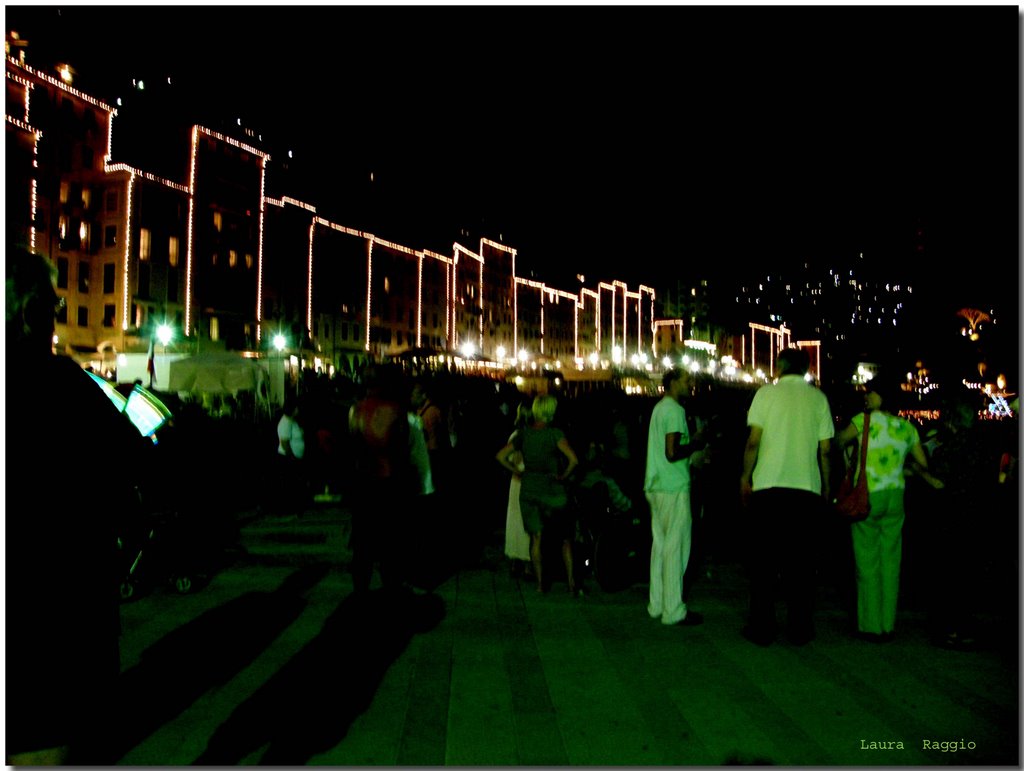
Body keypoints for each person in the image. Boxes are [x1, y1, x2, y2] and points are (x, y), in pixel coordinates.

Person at [6, 246, 145, 764]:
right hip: (56, 625)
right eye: (54, 304)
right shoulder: (69, 389)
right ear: (29, 312)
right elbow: (136, 466)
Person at [835, 376, 943, 643]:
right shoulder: (907, 428)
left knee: (867, 560)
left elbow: (838, 441)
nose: (866, 396)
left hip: (868, 494)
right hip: (896, 495)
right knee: (891, 560)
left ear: (882, 397)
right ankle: (887, 623)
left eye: (871, 393)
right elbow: (922, 462)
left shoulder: (862, 421)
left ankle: (870, 626)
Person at [739, 347, 833, 646]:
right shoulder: (818, 399)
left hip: (768, 487)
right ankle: (800, 628)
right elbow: (826, 449)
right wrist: (827, 485)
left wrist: (745, 476)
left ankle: (761, 627)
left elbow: (754, 441)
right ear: (806, 369)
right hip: (806, 488)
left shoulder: (765, 395)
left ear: (780, 366)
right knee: (802, 565)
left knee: (763, 563)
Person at [495, 394, 579, 595]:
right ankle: (571, 583)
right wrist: (563, 476)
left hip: (529, 488)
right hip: (552, 490)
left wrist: (516, 470)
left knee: (536, 538)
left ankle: (541, 585)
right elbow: (573, 460)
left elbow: (500, 456)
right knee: (565, 538)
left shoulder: (524, 434)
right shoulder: (555, 434)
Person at [643, 368, 706, 627]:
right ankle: (674, 610)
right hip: (674, 485)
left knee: (659, 546)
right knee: (676, 548)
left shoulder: (659, 408)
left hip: (655, 485)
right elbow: (672, 452)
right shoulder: (675, 412)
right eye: (686, 380)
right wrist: (697, 443)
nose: (690, 384)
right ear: (672, 383)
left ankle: (656, 603)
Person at [348, 365, 415, 592]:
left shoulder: (355, 410)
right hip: (389, 484)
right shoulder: (397, 411)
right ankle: (390, 588)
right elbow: (403, 450)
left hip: (364, 484)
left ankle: (361, 590)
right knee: (390, 544)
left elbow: (352, 448)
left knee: (363, 546)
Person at [498, 401, 533, 576]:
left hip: (517, 481)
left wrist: (515, 470)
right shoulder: (531, 435)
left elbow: (506, 458)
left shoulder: (515, 436)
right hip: (528, 480)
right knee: (528, 522)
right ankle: (527, 563)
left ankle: (514, 561)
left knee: (514, 521)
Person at [410, 380, 450, 492]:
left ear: (424, 395)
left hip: (432, 452)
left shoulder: (430, 412)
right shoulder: (432, 410)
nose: (412, 399)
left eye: (414, 395)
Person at [273, 395, 308, 519]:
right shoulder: (285, 423)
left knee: (294, 485)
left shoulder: (292, 421)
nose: (299, 410)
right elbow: (285, 443)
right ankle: (289, 510)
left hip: (294, 458)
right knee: (290, 485)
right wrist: (292, 458)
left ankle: (295, 509)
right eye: (297, 408)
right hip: (288, 459)